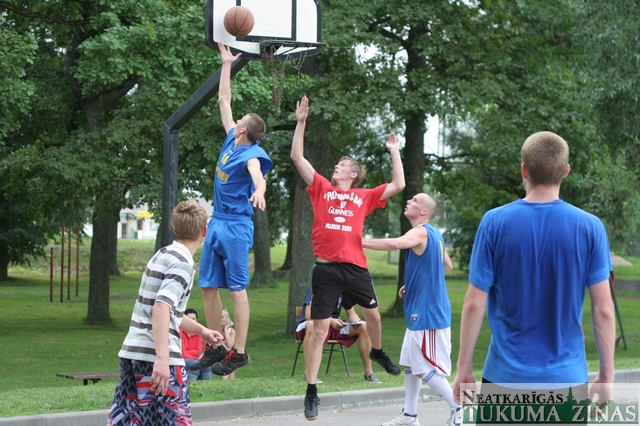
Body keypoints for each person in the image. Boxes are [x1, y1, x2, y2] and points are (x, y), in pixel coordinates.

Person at [451, 131, 616, 403]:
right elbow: (604, 309)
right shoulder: (590, 227)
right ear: (565, 171)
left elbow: (473, 304)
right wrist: (607, 377)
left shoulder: (494, 223)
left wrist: (463, 369)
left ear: (524, 170)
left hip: (504, 380)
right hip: (567, 382)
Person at [291, 96, 405, 421]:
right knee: (317, 330)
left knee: (374, 319)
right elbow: (297, 157)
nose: (335, 167)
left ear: (353, 174)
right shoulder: (322, 189)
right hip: (326, 270)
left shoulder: (363, 196)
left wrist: (394, 151)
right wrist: (301, 122)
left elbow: (399, 184)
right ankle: (311, 391)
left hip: (355, 269)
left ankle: (378, 353)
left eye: (341, 165)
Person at [194, 42, 273, 377]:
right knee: (207, 286)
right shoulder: (231, 139)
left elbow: (257, 175)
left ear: (244, 129)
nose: (237, 119)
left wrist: (260, 190)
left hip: (237, 226)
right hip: (217, 222)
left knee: (237, 289)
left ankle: (239, 352)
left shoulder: (252, 154)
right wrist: (226, 64)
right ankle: (215, 346)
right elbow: (223, 99)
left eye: (240, 120)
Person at [107, 199, 224, 426]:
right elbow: (161, 307)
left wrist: (202, 331)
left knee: (128, 420)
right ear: (204, 231)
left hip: (134, 352)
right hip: (158, 358)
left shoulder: (162, 254)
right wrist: (162, 359)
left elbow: (170, 311)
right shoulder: (183, 264)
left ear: (174, 228)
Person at [363, 193, 461, 426]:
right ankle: (409, 415)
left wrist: (357, 241)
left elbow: (395, 244)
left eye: (415, 200)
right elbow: (447, 265)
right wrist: (417, 282)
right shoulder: (435, 234)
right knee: (410, 363)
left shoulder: (421, 232)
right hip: (422, 311)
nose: (409, 201)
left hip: (428, 313)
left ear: (424, 211)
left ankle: (459, 408)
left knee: (421, 367)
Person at [296, 285, 383, 384]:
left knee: (365, 327)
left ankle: (369, 373)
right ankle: (309, 373)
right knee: (312, 325)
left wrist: (355, 320)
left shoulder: (343, 287)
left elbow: (352, 314)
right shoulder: (316, 286)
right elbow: (309, 315)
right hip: (312, 324)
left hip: (333, 325)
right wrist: (330, 320)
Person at [180, 308, 212, 382]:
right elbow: (183, 354)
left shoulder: (199, 333)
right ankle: (192, 385)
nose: (191, 321)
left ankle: (207, 386)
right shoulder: (179, 332)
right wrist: (196, 358)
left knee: (205, 364)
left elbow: (198, 351)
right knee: (195, 365)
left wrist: (192, 354)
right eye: (189, 319)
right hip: (181, 359)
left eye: (193, 319)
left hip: (194, 359)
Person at [220, 307, 237, 380]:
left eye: (222, 317)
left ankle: (226, 380)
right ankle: (228, 381)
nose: (221, 319)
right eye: (218, 317)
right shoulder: (215, 330)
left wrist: (226, 329)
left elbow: (230, 345)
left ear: (227, 317)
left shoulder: (231, 331)